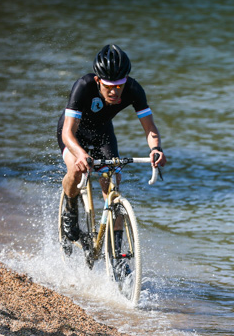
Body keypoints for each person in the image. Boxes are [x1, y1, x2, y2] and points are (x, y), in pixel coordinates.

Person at [57, 44, 166, 242]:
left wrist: (156, 149)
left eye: (119, 86)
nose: (115, 92)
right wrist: (80, 154)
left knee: (112, 186)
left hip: (103, 134)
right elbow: (67, 132)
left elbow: (150, 129)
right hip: (74, 134)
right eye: (109, 86)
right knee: (75, 169)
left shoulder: (133, 89)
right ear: (98, 81)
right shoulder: (83, 86)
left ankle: (116, 253)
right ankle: (70, 207)